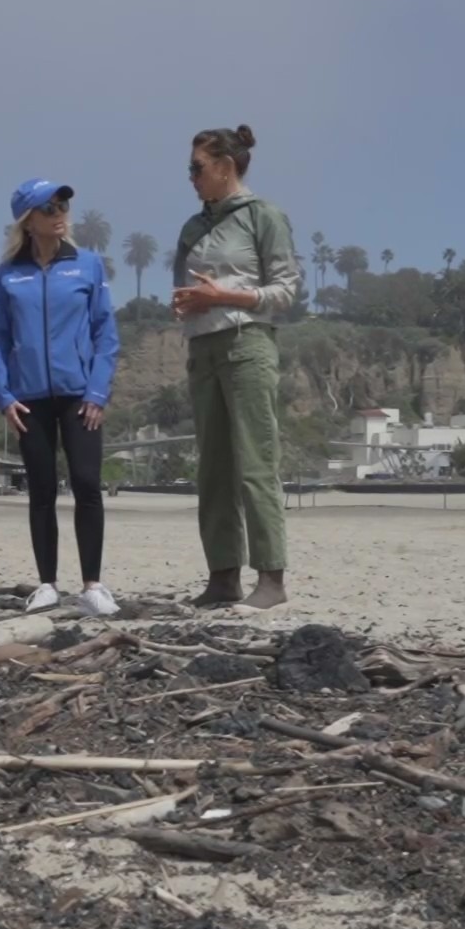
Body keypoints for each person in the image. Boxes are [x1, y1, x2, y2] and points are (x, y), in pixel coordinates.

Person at [170, 125, 304, 609]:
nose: (190, 177)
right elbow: (186, 289)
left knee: (254, 462)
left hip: (249, 346)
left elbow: (286, 291)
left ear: (226, 166)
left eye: (197, 168)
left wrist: (223, 295)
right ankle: (222, 576)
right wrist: (187, 305)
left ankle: (271, 579)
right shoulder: (192, 227)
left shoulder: (263, 216)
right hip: (203, 348)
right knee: (213, 469)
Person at [0, 178, 121, 616]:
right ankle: (47, 584)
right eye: (50, 207)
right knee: (41, 490)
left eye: (63, 204)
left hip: (80, 396)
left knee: (86, 484)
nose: (60, 212)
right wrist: (4, 397)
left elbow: (106, 334)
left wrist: (98, 391)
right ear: (29, 221)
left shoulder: (87, 266)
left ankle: (93, 586)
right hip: (29, 400)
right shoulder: (9, 275)